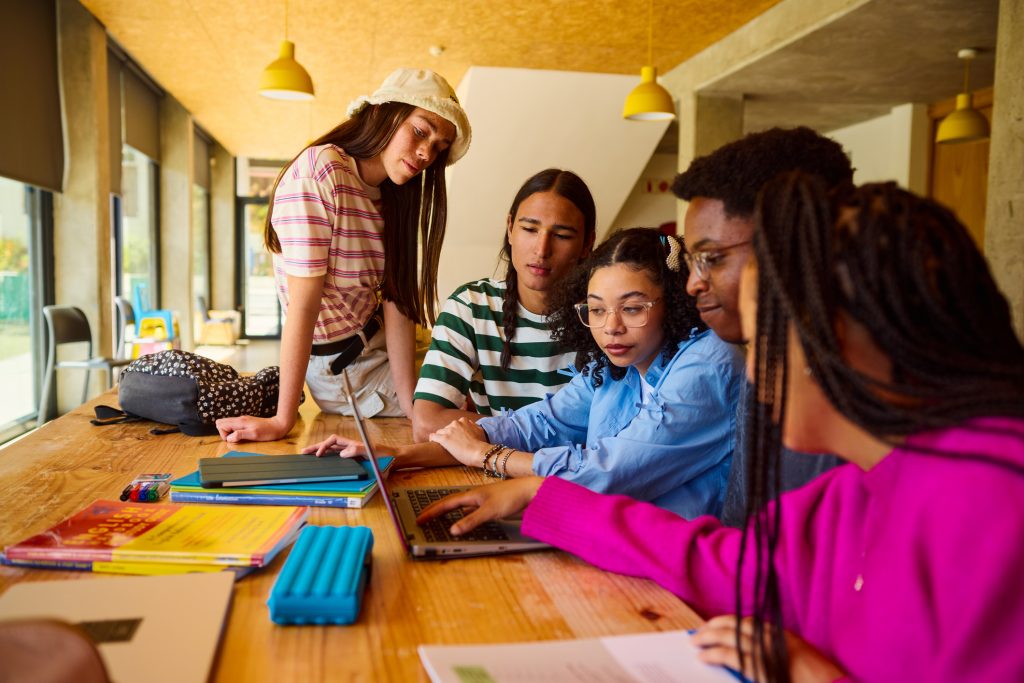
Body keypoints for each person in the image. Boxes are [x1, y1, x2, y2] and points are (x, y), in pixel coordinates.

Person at [419, 177, 1024, 682]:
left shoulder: (999, 502)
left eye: (759, 337)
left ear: (837, 338)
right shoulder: (845, 497)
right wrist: (542, 498)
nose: (750, 367)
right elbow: (726, 564)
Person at [307, 228, 745, 519]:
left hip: (679, 570)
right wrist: (399, 457)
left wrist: (485, 457)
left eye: (632, 308)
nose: (611, 326)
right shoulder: (619, 364)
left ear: (674, 302)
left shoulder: (708, 365)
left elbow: (606, 472)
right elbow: (535, 424)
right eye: (595, 310)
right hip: (614, 538)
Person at [216, 68, 471, 443]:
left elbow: (397, 303)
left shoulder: (392, 194)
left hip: (384, 345)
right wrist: (281, 419)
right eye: (420, 131)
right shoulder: (319, 175)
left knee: (487, 382)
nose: (426, 153)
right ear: (384, 113)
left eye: (438, 146)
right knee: (472, 403)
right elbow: (303, 308)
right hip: (347, 368)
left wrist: (412, 400)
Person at [672, 126, 854, 527]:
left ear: (787, 243)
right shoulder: (768, 367)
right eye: (691, 261)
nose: (693, 283)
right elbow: (744, 541)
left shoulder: (859, 392)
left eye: (712, 258)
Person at [410, 169, 596, 441]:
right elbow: (427, 423)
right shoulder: (471, 308)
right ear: (510, 229)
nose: (542, 249)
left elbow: (609, 435)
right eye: (530, 229)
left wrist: (501, 430)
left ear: (587, 244)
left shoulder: (604, 317)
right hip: (491, 469)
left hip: (572, 477)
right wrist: (548, 433)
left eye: (562, 235)